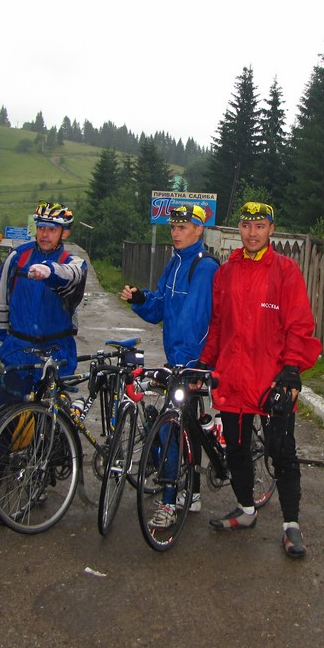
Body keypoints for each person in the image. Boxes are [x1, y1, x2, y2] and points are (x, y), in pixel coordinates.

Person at [200, 202, 321, 559]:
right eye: (246, 226)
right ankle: (246, 509)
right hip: (234, 378)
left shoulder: (285, 270)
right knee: (236, 449)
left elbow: (299, 323)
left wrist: (292, 368)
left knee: (282, 452)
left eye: (259, 226)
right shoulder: (226, 272)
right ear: (239, 229)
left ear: (271, 229)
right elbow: (218, 325)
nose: (252, 233)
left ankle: (291, 525)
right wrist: (205, 363)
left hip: (272, 381)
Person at [120, 203, 218, 528]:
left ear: (199, 229)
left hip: (191, 363)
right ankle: (193, 490)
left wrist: (188, 365)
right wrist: (140, 299)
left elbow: (195, 320)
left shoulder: (204, 268)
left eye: (183, 227)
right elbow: (161, 304)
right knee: (181, 426)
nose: (176, 233)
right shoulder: (175, 262)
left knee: (172, 428)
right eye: (173, 227)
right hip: (177, 362)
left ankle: (171, 499)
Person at [0, 201, 87, 405]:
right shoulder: (17, 257)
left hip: (57, 350)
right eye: (41, 228)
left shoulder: (72, 262)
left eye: (52, 230)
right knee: (6, 416)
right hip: (18, 349)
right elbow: (0, 299)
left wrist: (50, 271)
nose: (44, 234)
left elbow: (72, 275)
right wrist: (0, 343)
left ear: (65, 233)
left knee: (52, 418)